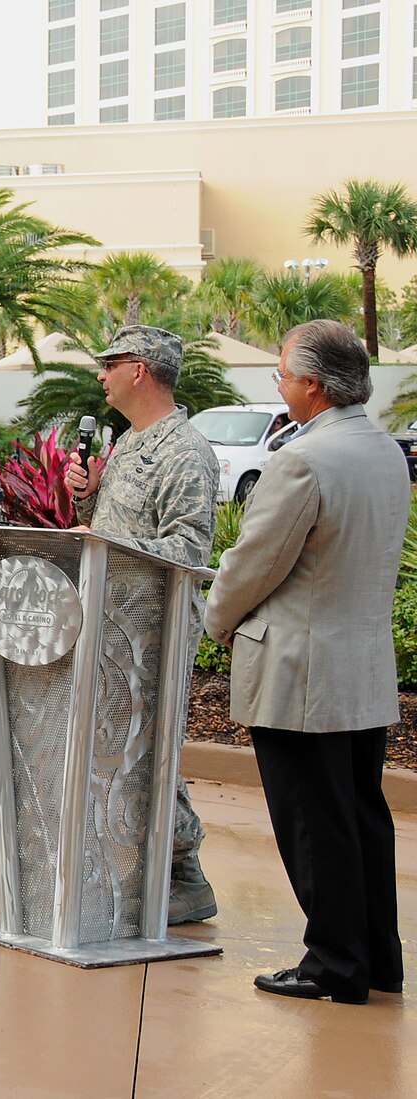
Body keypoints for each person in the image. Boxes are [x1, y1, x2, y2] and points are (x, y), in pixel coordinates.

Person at [205, 319, 406, 1005]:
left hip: (300, 670)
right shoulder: (382, 448)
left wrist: (217, 619)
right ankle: (378, 957)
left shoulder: (304, 459)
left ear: (314, 385)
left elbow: (253, 563)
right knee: (359, 815)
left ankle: (333, 964)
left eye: (284, 374)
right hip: (361, 666)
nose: (279, 385)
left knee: (314, 823)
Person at [63, 324, 221, 924]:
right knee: (119, 754)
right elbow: (120, 532)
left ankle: (183, 872)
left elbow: (189, 549)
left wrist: (101, 534)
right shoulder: (129, 443)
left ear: (142, 371)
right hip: (111, 626)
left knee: (148, 753)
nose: (100, 376)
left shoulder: (185, 453)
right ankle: (135, 868)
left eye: (111, 364)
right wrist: (88, 498)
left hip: (156, 632)